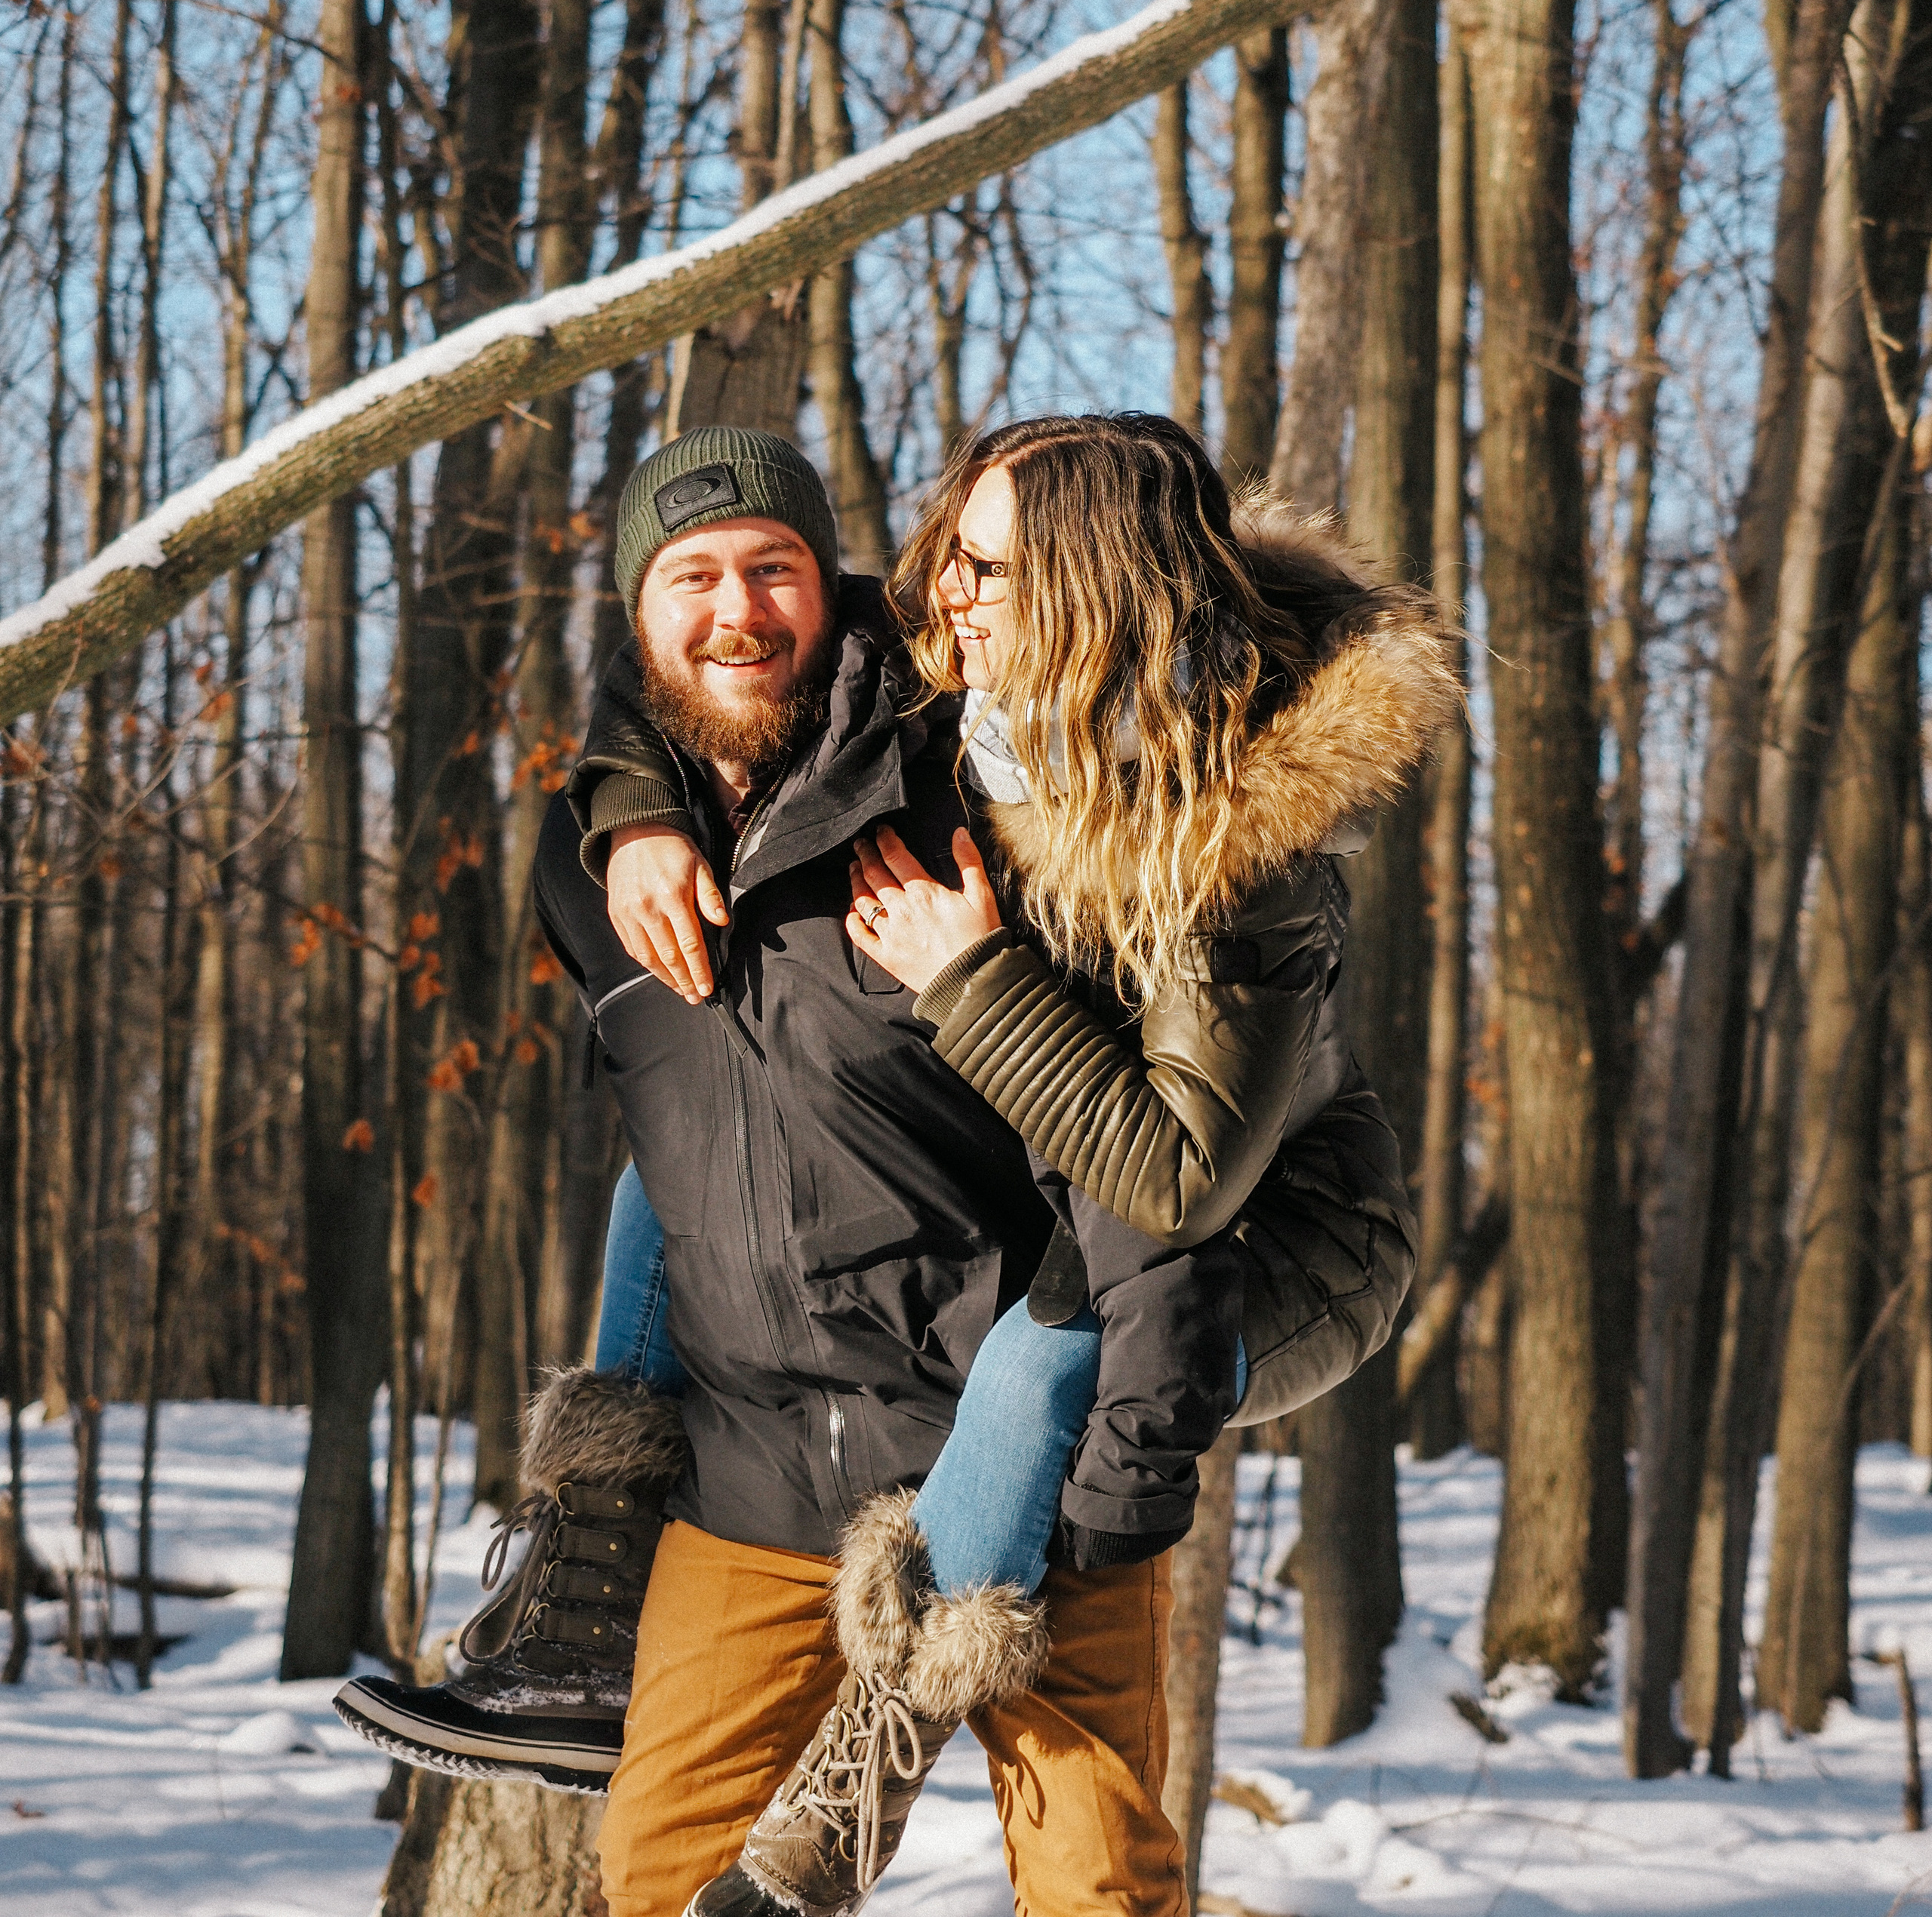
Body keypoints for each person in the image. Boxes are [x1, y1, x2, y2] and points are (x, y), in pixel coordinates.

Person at [338, 417, 1455, 1917]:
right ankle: (582, 1589)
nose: (944, 594)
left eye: (779, 571)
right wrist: (629, 809)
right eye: (694, 578)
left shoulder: (1128, 813)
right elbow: (690, 658)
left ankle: (869, 1770)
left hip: (1078, 1382)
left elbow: (1163, 1192)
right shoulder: (711, 778)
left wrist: (972, 977)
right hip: (758, 1466)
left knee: (1097, 1882)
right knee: (663, 1874)